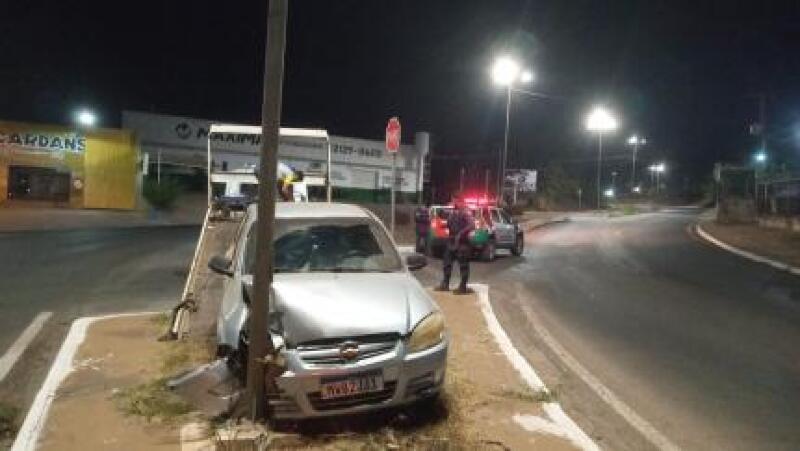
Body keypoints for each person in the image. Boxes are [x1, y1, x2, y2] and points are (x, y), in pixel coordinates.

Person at [436, 196, 474, 295]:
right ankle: (445, 283)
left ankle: (463, 286)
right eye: (453, 200)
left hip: (462, 242)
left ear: (460, 201)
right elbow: (449, 224)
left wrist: (461, 233)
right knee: (447, 263)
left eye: (455, 201)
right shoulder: (452, 212)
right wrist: (444, 225)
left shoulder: (466, 212)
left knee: (463, 265)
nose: (454, 202)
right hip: (451, 240)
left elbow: (471, 225)